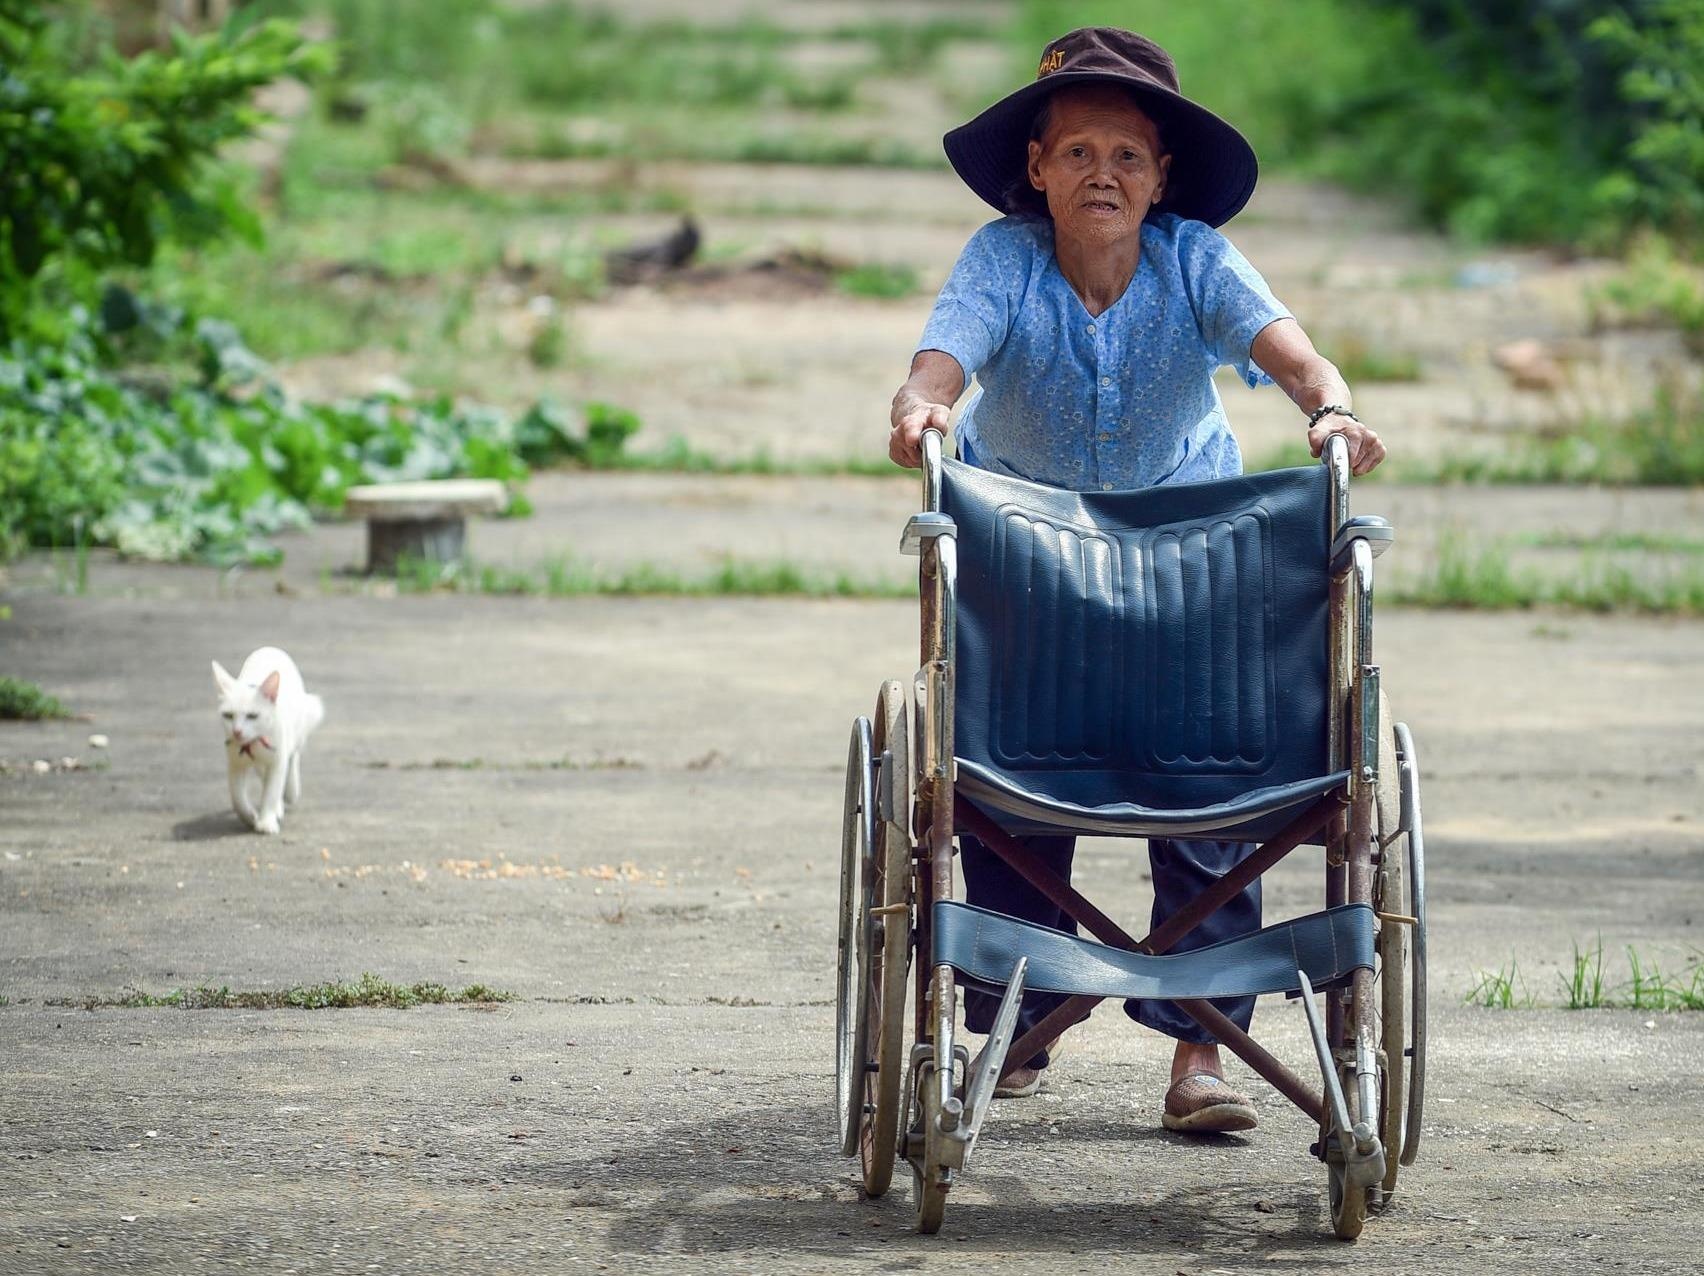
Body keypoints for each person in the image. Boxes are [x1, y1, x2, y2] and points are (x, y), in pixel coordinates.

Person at [889, 27, 1385, 1134]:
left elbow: (1293, 353)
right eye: (1076, 152)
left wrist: (1331, 407)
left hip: (1187, 550)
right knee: (1001, 765)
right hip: (1026, 548)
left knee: (1217, 754)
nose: (1100, 173)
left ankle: (1202, 1052)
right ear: (1037, 168)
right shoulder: (1004, 260)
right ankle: (1020, 1006)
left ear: (1161, 177)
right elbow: (946, 354)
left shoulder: (1195, 257)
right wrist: (922, 404)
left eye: (1125, 154)